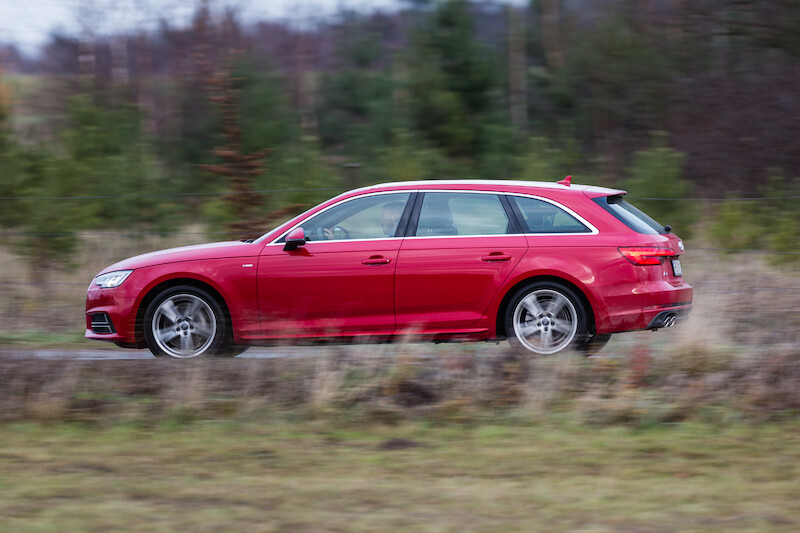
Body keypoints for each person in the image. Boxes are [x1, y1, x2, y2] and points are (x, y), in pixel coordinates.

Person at [322, 200, 404, 240]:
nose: (381, 221)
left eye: (383, 216)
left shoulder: (394, 242)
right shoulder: (395, 239)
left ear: (394, 217)